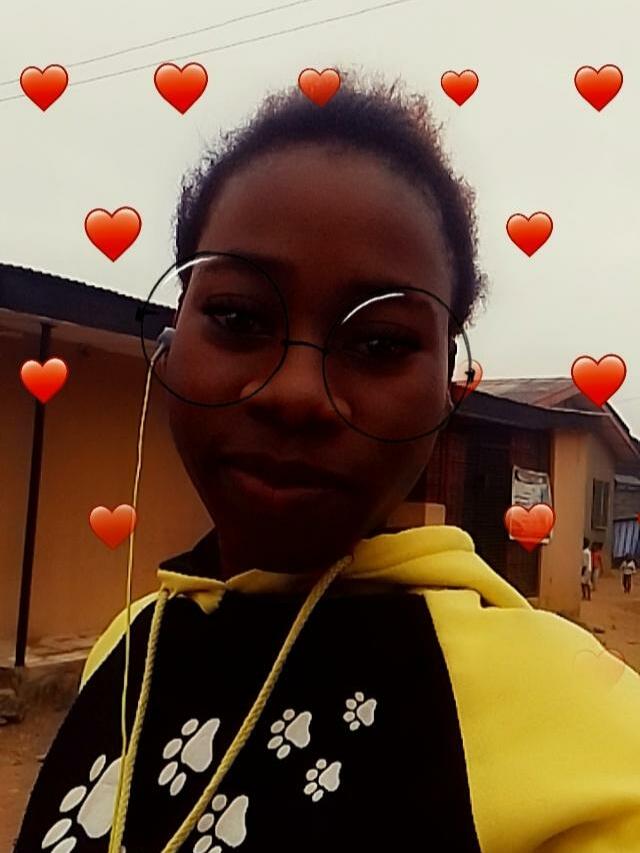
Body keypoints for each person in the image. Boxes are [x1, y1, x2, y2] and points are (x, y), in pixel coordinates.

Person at [16, 74, 640, 853]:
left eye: (379, 343)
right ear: (173, 343)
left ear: (447, 391)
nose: (296, 393)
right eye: (238, 316)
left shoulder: (582, 731)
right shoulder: (129, 650)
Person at [581, 536, 593, 600]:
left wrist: (582, 571)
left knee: (583, 583)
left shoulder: (584, 552)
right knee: (587, 582)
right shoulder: (588, 551)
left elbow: (585, 563)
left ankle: (585, 595)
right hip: (589, 569)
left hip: (585, 569)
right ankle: (588, 596)